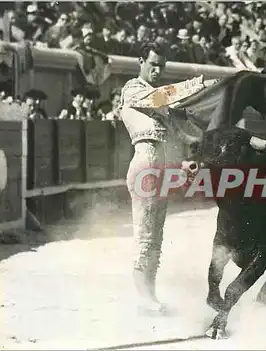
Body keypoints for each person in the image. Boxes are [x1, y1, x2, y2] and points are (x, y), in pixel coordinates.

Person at [119, 42, 185, 313]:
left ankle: (151, 296)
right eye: (153, 64)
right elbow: (157, 99)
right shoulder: (132, 88)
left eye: (162, 66)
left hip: (162, 168)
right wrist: (190, 89)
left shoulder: (162, 98)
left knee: (156, 238)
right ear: (141, 61)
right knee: (145, 235)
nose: (157, 70)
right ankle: (143, 297)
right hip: (145, 165)